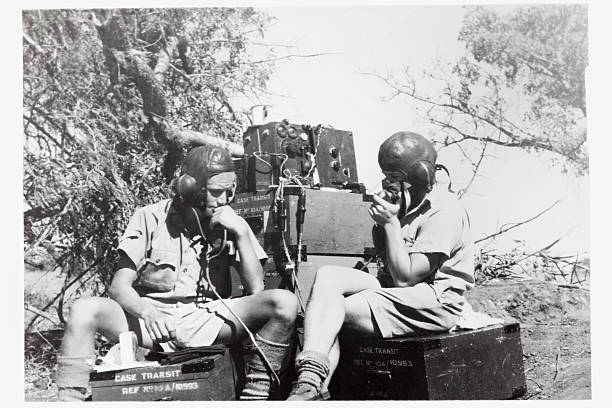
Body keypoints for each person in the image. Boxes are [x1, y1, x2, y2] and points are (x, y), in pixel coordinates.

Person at [56, 145, 298, 401]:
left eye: (230, 191)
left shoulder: (230, 221)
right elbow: (119, 286)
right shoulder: (149, 217)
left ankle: (256, 396)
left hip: (207, 318)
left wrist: (240, 232)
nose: (225, 199)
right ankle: (70, 399)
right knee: (84, 309)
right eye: (217, 192)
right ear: (189, 189)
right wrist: (148, 313)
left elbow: (256, 288)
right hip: (150, 323)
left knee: (284, 303)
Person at [287, 131, 474, 400]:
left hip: (434, 300)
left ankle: (312, 388)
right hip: (399, 292)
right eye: (386, 175)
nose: (387, 182)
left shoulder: (444, 211)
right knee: (328, 277)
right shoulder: (408, 203)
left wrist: (390, 224)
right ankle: (310, 381)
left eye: (395, 177)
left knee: (332, 312)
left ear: (418, 177)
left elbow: (406, 278)